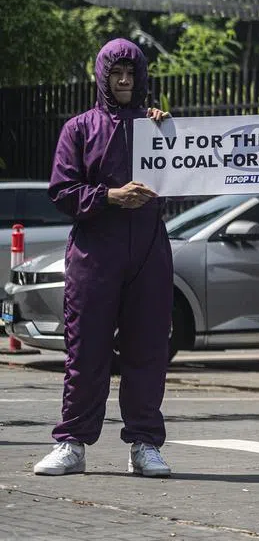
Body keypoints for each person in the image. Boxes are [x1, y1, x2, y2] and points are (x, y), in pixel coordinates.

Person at [34, 39, 174, 478]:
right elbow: (61, 190)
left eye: (132, 74)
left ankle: (145, 443)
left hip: (149, 249)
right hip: (95, 252)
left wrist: (172, 136)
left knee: (148, 349)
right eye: (117, 74)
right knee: (86, 350)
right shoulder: (79, 128)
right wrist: (110, 196)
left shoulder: (160, 126)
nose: (126, 80)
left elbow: (187, 178)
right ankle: (72, 443)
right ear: (103, 77)